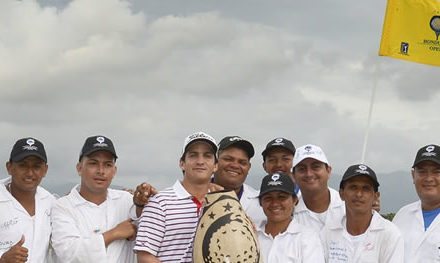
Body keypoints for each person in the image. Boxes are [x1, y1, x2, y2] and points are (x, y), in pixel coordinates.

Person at [51, 135, 137, 263]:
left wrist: (145, 200)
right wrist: (115, 233)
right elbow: (70, 253)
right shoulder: (63, 206)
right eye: (93, 163)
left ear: (114, 171)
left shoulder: (127, 201)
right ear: (79, 168)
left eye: (108, 165)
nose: (101, 171)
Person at [134, 131, 218, 263]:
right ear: (182, 163)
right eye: (193, 155)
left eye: (207, 156)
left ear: (215, 166)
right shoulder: (160, 202)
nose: (200, 161)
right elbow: (145, 257)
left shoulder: (221, 204)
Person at [322, 164, 404, 262]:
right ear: (341, 194)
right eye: (353, 187)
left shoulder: (390, 234)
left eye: (366, 189)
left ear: (375, 196)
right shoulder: (328, 232)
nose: (359, 194)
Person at [0, 137, 55, 263]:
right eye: (23, 165)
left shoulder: (50, 203)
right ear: (9, 167)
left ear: (45, 170)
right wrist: (2, 259)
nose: (30, 173)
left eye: (36, 167)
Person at [256, 173, 325, 263]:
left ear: (294, 200)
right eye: (268, 198)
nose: (275, 203)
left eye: (282, 197)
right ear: (260, 202)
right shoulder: (252, 234)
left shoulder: (307, 237)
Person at [393, 144, 440, 262]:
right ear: (413, 176)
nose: (429, 178)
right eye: (422, 172)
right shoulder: (402, 215)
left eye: (437, 172)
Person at [292, 144, 345, 233]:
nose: (309, 174)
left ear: (328, 170)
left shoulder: (347, 206)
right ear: (293, 176)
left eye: (315, 167)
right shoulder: (289, 212)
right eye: (302, 169)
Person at [212, 136, 264, 225]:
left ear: (249, 167)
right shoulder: (193, 195)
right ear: (215, 162)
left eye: (242, 162)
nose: (235, 165)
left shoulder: (261, 203)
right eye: (228, 159)